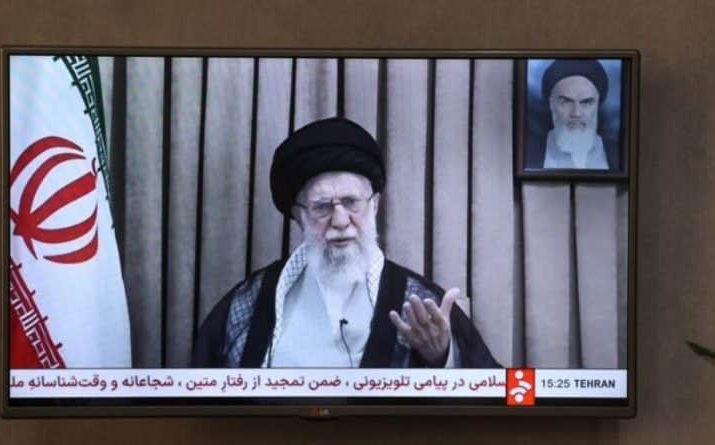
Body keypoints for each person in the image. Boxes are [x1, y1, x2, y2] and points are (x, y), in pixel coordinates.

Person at [192, 117, 499, 368]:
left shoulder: (418, 300)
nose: (340, 221)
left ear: (374, 205)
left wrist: (441, 357)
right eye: (322, 207)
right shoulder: (249, 302)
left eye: (352, 202)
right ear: (298, 216)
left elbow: (500, 393)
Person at [535, 59, 618, 170]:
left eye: (586, 102)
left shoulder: (618, 152)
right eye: (566, 102)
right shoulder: (529, 152)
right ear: (551, 103)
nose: (576, 113)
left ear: (598, 104)